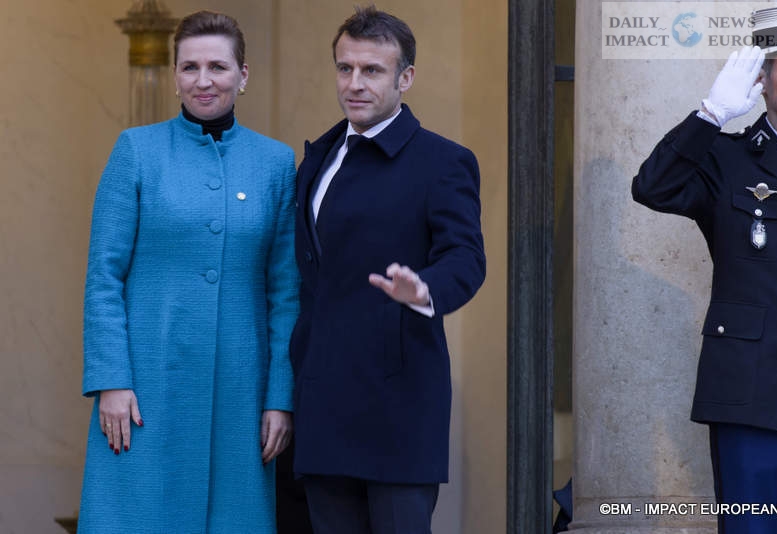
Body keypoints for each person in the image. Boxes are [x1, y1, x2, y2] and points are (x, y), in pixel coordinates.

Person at [78, 10, 299, 533]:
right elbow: (104, 277)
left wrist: (280, 398)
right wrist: (111, 380)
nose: (204, 80)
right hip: (145, 389)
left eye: (218, 67)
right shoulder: (136, 151)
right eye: (190, 67)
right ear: (175, 75)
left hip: (241, 395)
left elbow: (286, 292)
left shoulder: (275, 163)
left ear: (243, 75)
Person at [289, 5, 486, 533]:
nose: (355, 83)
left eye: (372, 70)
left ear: (406, 78)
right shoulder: (318, 157)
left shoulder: (443, 161)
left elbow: (466, 257)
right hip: (322, 402)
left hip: (399, 404)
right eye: (345, 68)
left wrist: (424, 289)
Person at [632, 7, 777, 532]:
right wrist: (710, 115)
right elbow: (653, 187)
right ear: (762, 79)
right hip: (753, 396)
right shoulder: (727, 159)